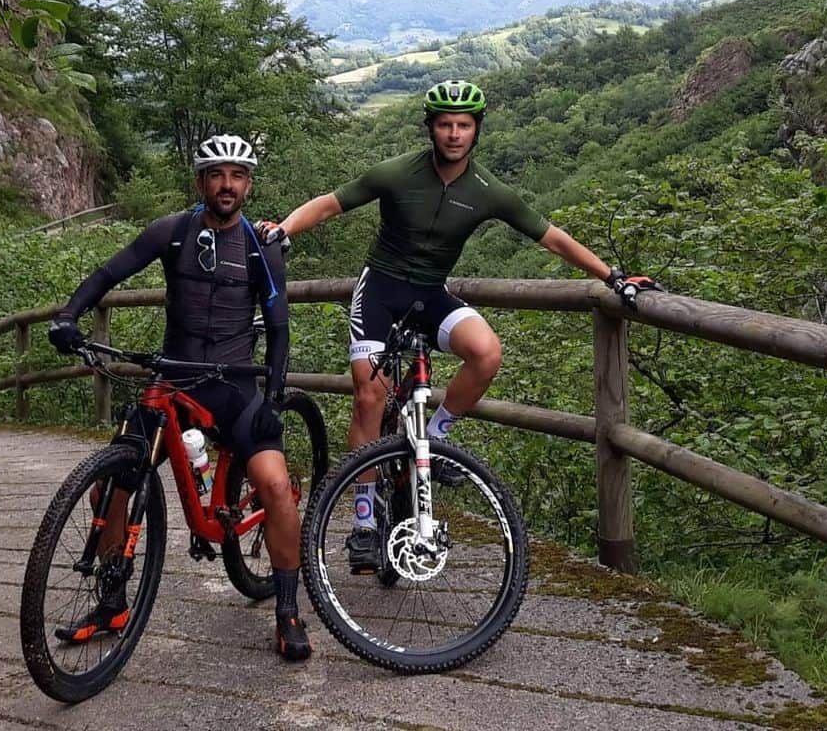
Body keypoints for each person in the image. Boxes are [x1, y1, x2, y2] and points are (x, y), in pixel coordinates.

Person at [257, 79, 656, 573]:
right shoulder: (397, 173)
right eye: (445, 124)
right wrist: (283, 229)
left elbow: (553, 238)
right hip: (379, 292)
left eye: (463, 125)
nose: (453, 133)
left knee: (486, 351)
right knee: (369, 395)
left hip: (429, 296)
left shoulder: (487, 191)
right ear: (431, 128)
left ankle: (438, 435)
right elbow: (331, 203)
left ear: (476, 131)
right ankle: (363, 521)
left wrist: (613, 277)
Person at [48, 133, 311, 660]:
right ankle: (113, 600)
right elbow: (109, 272)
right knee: (108, 489)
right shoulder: (171, 233)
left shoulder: (263, 247)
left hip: (235, 384)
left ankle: (287, 610)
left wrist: (273, 395)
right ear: (201, 182)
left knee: (277, 487)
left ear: (249, 185)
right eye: (216, 174)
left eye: (237, 175)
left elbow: (279, 329)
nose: (227, 184)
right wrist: (68, 315)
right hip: (173, 376)